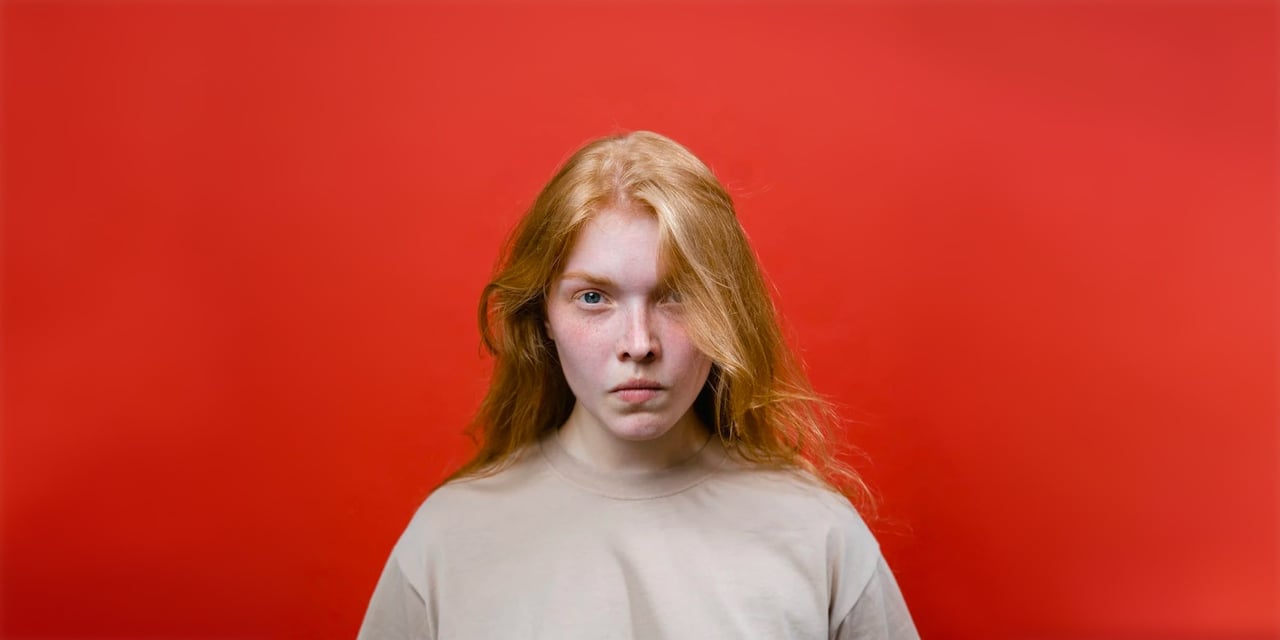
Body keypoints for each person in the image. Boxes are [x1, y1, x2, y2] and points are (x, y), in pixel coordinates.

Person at [357, 131, 919, 639]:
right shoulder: (448, 539)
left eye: (676, 295)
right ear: (544, 317)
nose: (639, 342)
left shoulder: (817, 534)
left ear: (726, 309)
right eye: (594, 298)